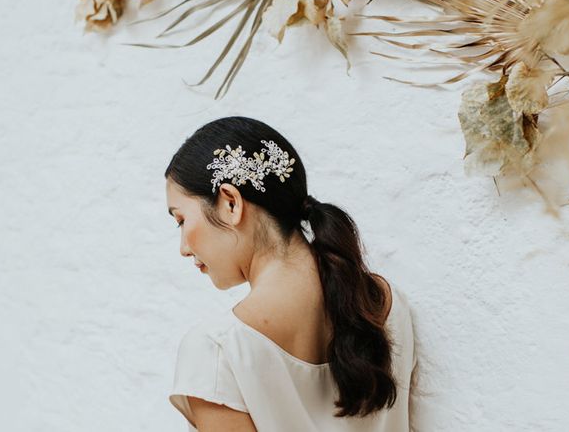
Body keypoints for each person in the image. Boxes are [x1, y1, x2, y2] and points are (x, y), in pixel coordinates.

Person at [164, 116, 417, 431]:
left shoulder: (217, 350)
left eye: (181, 220)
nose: (183, 248)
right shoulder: (385, 305)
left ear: (231, 204)